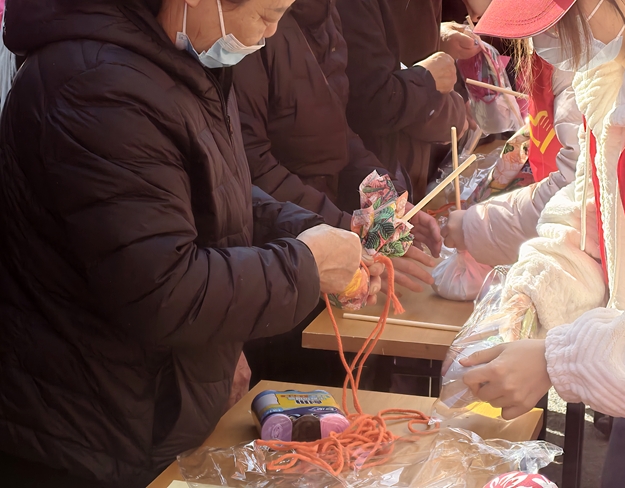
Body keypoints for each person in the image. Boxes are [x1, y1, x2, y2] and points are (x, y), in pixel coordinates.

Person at [0, 0, 367, 485]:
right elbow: (162, 288)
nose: (269, 35)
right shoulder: (97, 83)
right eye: (266, 14)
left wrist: (302, 228)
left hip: (144, 412)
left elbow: (210, 189)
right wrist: (306, 266)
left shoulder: (174, 61)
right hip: (87, 437)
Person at [455, 0, 625, 486]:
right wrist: (529, 293)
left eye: (559, 16)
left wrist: (556, 360)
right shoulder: (612, 73)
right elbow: (589, 212)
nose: (547, 40)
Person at [232, 0, 445, 387]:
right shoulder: (255, 22)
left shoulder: (328, 14)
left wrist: (386, 201)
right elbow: (250, 166)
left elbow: (339, 134)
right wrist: (345, 227)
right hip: (275, 260)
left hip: (333, 251)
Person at [440, 0, 582, 267]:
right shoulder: (550, 47)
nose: (472, 16)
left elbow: (574, 195)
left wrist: (474, 227)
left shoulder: (574, 67)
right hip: (546, 220)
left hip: (562, 237)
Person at [337, 0, 478, 202]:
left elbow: (408, 47)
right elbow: (372, 101)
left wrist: (439, 36)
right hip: (378, 168)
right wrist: (452, 111)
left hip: (401, 171)